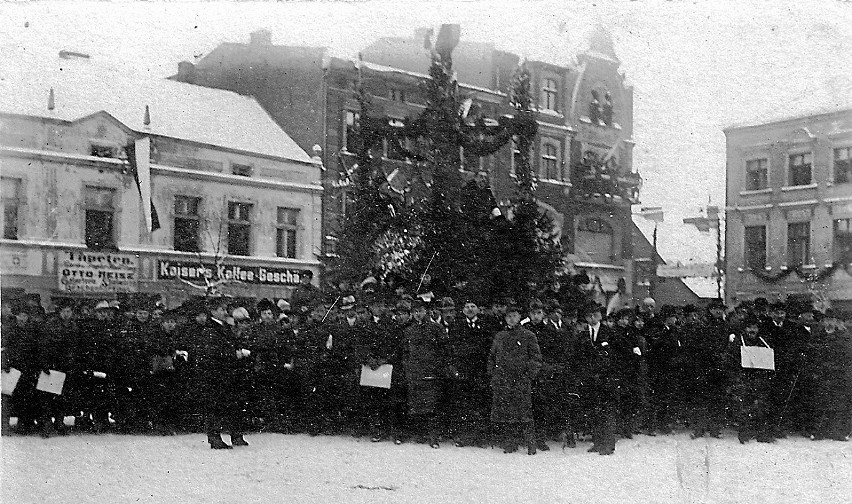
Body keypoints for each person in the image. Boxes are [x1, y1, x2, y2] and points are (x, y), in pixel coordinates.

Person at [488, 303, 542, 455]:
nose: (512, 319)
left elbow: (536, 358)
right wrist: (494, 375)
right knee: (506, 413)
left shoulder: (528, 335)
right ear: (505, 318)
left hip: (521, 380)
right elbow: (492, 357)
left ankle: (531, 444)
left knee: (524, 413)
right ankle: (510, 443)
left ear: (520, 317)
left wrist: (528, 375)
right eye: (509, 316)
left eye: (514, 316)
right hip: (503, 380)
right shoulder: (500, 336)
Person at [198, 298, 249, 449]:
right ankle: (215, 437)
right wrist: (234, 354)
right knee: (216, 406)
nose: (224, 312)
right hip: (217, 373)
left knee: (232, 404)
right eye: (221, 309)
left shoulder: (223, 327)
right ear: (213, 311)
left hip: (227, 371)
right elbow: (213, 351)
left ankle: (236, 435)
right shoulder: (210, 329)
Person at [403, 299, 446, 448]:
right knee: (417, 405)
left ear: (426, 311)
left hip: (431, 371)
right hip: (415, 372)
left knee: (432, 406)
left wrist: (438, 367)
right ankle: (420, 434)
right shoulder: (409, 330)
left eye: (420, 311)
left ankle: (433, 437)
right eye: (415, 311)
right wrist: (408, 369)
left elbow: (444, 350)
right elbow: (406, 353)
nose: (418, 314)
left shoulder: (436, 328)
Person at [577, 303, 618, 455]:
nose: (592, 317)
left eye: (595, 314)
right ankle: (597, 442)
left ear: (600, 315)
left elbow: (615, 356)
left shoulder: (610, 333)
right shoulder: (581, 335)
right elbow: (578, 358)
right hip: (590, 379)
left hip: (606, 378)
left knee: (607, 412)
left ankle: (608, 444)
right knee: (594, 411)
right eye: (589, 315)